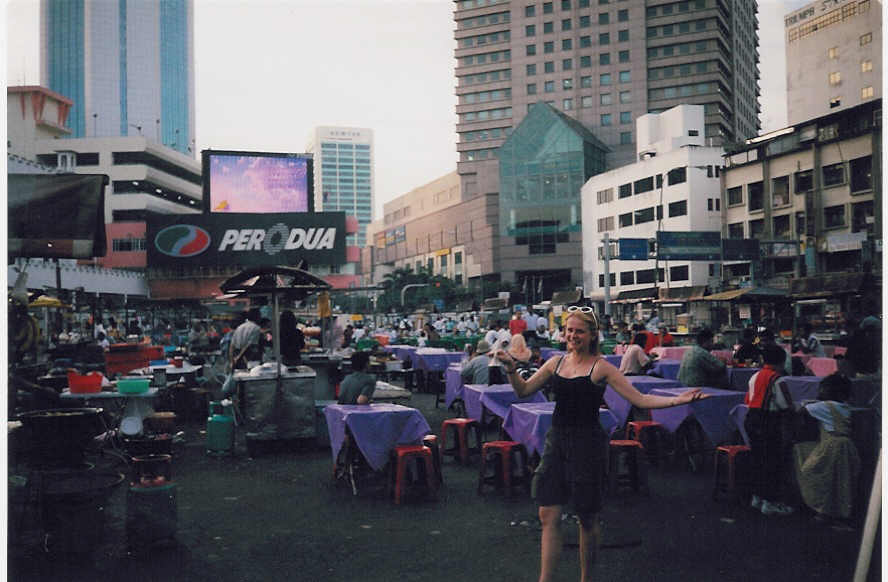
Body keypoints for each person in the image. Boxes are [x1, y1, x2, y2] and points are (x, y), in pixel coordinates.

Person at [494, 307, 705, 582]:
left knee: (587, 516)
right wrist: (511, 369)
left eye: (579, 331)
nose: (573, 336)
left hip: (587, 444)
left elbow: (640, 399)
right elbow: (523, 390)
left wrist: (678, 400)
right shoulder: (555, 363)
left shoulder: (601, 367)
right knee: (547, 512)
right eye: (569, 330)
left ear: (592, 335)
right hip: (557, 440)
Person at [793, 373, 861, 526]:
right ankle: (841, 513)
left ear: (832, 391)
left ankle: (824, 511)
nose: (820, 392)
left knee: (820, 476)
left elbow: (802, 410)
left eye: (823, 389)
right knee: (842, 481)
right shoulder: (845, 406)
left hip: (831, 446)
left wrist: (811, 402)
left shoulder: (824, 406)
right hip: (847, 446)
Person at [744, 343, 795, 516]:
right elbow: (785, 404)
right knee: (772, 462)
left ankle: (757, 497)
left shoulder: (755, 376)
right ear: (782, 362)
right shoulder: (778, 379)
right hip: (769, 421)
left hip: (752, 419)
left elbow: (748, 400)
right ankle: (770, 502)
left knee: (758, 459)